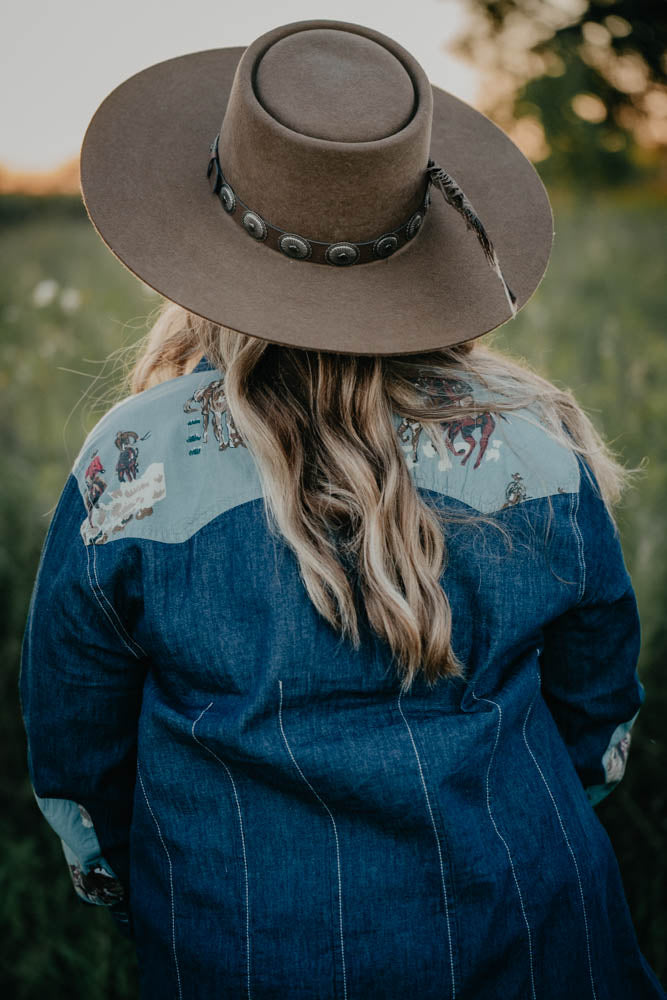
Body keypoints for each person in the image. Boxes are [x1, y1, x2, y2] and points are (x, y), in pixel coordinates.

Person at [18, 17, 666, 1000]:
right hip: (534, 931)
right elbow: (595, 700)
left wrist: (121, 863)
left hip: (247, 944)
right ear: (421, 230)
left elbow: (77, 729)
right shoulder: (537, 444)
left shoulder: (132, 463)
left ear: (210, 241)